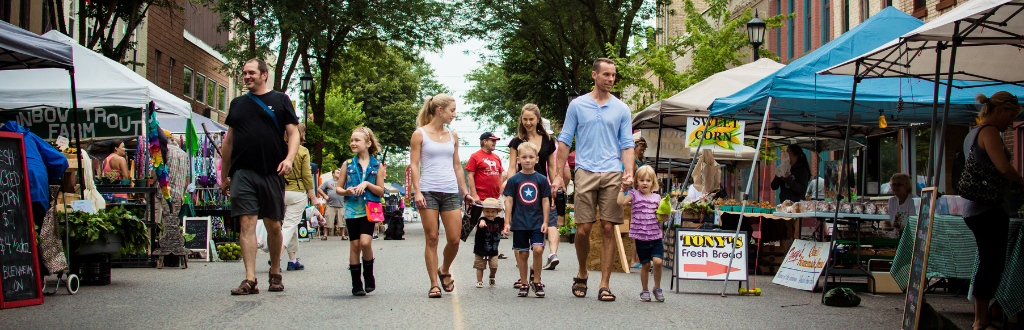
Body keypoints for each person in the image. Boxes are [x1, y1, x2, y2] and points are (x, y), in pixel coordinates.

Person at [552, 58, 636, 302]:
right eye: (606, 75)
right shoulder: (578, 106)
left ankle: (605, 283)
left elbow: (627, 144)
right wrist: (558, 174)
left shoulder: (622, 109)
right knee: (583, 229)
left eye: (614, 76)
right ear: (594, 75)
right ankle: (582, 271)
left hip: (612, 172)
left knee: (609, 227)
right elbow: (565, 140)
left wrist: (628, 172)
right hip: (585, 170)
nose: (611, 79)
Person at [222, 58, 300, 295]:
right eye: (244, 73)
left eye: (251, 73)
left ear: (264, 75)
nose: (247, 77)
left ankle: (275, 272)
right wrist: (225, 175)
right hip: (243, 173)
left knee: (273, 225)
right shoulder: (236, 104)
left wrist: (288, 159)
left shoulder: (280, 100)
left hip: (271, 172)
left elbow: (293, 133)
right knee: (246, 223)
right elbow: (229, 141)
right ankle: (250, 279)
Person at [961, 92, 1024, 330]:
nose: (1011, 122)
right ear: (999, 110)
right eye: (1010, 115)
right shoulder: (989, 132)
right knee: (992, 263)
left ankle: (981, 318)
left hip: (977, 209)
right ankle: (981, 320)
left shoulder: (973, 133)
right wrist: (1021, 181)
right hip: (989, 208)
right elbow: (1004, 168)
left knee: (989, 262)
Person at [409, 93, 473, 298]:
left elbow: (457, 166)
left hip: (450, 192)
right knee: (432, 238)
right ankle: (434, 284)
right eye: (452, 110)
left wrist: (465, 192)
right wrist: (416, 191)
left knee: (455, 239)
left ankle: (444, 269)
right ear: (440, 110)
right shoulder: (419, 134)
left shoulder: (452, 136)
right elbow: (414, 165)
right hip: (427, 191)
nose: (455, 114)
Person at [507, 105, 559, 270]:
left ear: (538, 119)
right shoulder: (516, 141)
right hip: (521, 190)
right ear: (521, 120)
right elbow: (511, 167)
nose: (528, 122)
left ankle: (535, 269)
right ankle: (521, 268)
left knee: (541, 226)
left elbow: (551, 167)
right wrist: (509, 189)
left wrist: (554, 187)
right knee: (520, 229)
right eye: (525, 119)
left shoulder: (547, 140)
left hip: (541, 189)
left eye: (531, 119)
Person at [336, 127, 386, 296]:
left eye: (357, 140)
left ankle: (368, 275)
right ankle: (356, 283)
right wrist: (346, 192)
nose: (353, 143)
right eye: (352, 140)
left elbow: (380, 191)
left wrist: (366, 184)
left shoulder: (377, 165)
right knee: (354, 245)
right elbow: (338, 188)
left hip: (370, 210)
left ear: (368, 143)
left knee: (365, 243)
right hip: (351, 210)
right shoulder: (347, 164)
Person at [503, 141, 552, 298]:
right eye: (524, 157)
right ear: (518, 159)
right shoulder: (514, 180)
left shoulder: (542, 179)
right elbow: (509, 201)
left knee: (538, 249)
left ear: (537, 159)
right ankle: (524, 283)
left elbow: (545, 201)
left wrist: (545, 221)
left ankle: (536, 281)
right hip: (520, 222)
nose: (528, 160)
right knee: (522, 254)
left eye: (531, 157)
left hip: (537, 222)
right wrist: (507, 222)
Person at [617, 165, 665, 302]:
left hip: (655, 236)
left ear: (653, 183)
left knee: (658, 262)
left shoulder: (657, 198)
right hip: (641, 237)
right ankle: (645, 289)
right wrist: (623, 189)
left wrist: (665, 216)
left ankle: (657, 287)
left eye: (648, 181)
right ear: (636, 182)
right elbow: (620, 202)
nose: (645, 183)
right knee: (645, 264)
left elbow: (662, 216)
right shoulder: (634, 194)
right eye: (642, 180)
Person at [278, 123, 320, 271]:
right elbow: (307, 176)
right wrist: (313, 197)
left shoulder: (279, 148)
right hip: (296, 191)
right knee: (289, 225)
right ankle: (276, 257)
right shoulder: (302, 151)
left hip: (279, 191)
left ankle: (293, 260)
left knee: (291, 225)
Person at [465, 131, 505, 231]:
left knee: (498, 224)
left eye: (495, 141)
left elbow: (501, 175)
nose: (495, 143)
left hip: (496, 197)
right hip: (481, 198)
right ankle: (481, 246)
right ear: (484, 141)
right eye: (492, 140)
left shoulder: (496, 157)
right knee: (482, 226)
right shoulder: (475, 156)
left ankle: (494, 245)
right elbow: (470, 176)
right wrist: (474, 195)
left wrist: (501, 193)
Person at [473, 198, 504, 288]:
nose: (490, 214)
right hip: (480, 249)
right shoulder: (482, 219)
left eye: (493, 212)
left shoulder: (499, 221)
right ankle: (479, 281)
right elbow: (480, 221)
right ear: (483, 211)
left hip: (493, 249)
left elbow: (505, 223)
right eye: (487, 211)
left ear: (497, 212)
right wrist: (481, 223)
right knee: (480, 266)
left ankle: (492, 276)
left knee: (494, 266)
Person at [318, 168, 347, 240]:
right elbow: (319, 189)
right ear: (333, 174)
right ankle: (325, 235)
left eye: (340, 173)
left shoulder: (343, 182)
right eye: (337, 172)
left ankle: (343, 235)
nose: (339, 174)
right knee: (327, 219)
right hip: (330, 204)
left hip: (341, 204)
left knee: (342, 220)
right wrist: (324, 196)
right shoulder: (328, 182)